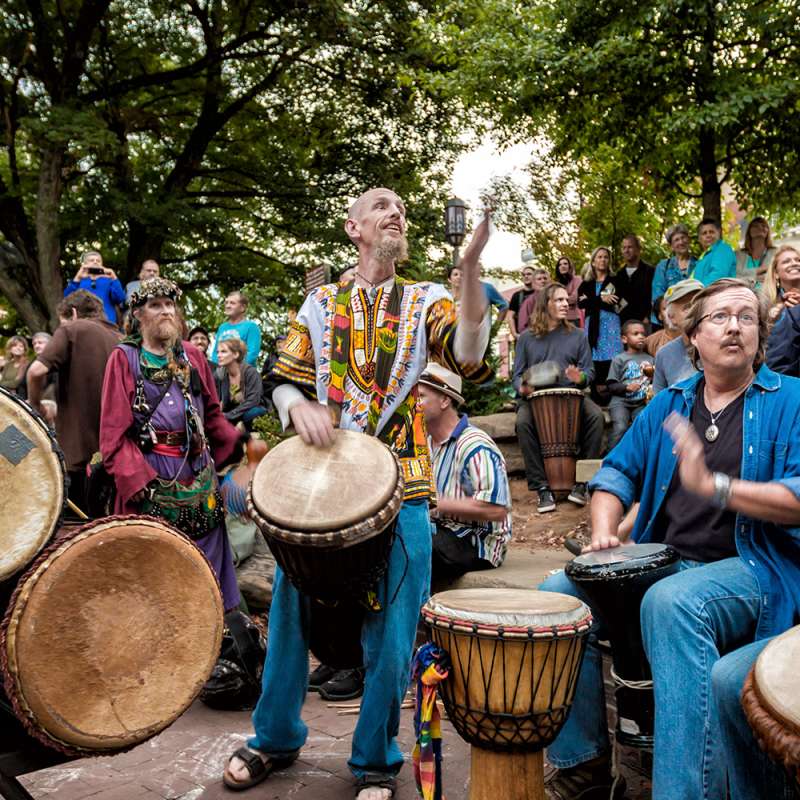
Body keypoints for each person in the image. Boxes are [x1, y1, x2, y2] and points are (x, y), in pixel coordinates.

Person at [222, 187, 492, 799]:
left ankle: (374, 761)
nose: (394, 212)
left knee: (394, 634)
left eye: (400, 207)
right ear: (354, 229)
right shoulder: (321, 304)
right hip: (322, 492)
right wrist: (298, 409)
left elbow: (471, 353)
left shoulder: (429, 300)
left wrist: (471, 266)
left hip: (406, 488)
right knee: (291, 619)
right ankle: (274, 739)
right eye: (380, 206)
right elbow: (283, 382)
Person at [540, 278, 800, 800]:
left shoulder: (790, 400)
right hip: (671, 561)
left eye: (747, 317)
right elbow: (615, 475)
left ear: (761, 336)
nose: (734, 326)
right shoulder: (671, 404)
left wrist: (716, 487)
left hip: (754, 568)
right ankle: (582, 766)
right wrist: (603, 533)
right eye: (720, 317)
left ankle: (684, 793)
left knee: (671, 602)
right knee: (558, 595)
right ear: (693, 339)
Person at [99, 277, 244, 612]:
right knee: (151, 571)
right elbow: (112, 434)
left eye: (169, 305)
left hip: (196, 474)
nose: (165, 311)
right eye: (155, 305)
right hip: (150, 475)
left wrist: (240, 448)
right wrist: (137, 481)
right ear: (138, 314)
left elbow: (212, 414)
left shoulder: (192, 355)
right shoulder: (124, 359)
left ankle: (215, 640)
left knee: (207, 568)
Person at [26, 291, 122, 510]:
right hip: (117, 458)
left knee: (78, 533)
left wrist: (36, 405)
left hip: (79, 461)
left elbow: (35, 372)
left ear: (74, 313)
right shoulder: (121, 339)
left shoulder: (74, 329)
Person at [513, 283, 603, 513]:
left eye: (567, 300)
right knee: (522, 423)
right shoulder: (526, 338)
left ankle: (582, 484)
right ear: (546, 305)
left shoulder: (578, 335)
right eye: (560, 300)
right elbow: (516, 375)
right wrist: (523, 388)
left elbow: (589, 373)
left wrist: (579, 377)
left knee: (596, 417)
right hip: (535, 400)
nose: (566, 304)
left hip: (572, 397)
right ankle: (542, 488)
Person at [418, 362, 512, 579]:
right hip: (442, 531)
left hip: (477, 542)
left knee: (411, 549)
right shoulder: (427, 443)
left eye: (421, 396)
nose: (414, 403)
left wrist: (434, 502)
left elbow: (496, 509)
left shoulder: (475, 445)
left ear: (444, 400)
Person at [578, 246, 623, 401]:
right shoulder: (586, 283)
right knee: (594, 355)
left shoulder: (615, 280)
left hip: (611, 323)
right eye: (599, 257)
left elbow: (620, 303)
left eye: (606, 257)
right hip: (592, 325)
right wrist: (601, 299)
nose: (603, 260)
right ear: (593, 261)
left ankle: (613, 392)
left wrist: (592, 301)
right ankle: (596, 394)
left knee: (612, 355)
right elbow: (580, 303)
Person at [650, 278, 704, 394]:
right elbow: (658, 404)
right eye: (688, 307)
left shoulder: (722, 347)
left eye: (699, 304)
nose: (696, 311)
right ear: (672, 318)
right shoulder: (664, 355)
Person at [606, 320, 653, 449]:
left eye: (643, 334)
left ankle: (635, 459)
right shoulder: (619, 359)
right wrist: (626, 387)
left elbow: (653, 381)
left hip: (640, 403)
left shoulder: (650, 359)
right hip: (620, 402)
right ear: (624, 339)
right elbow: (611, 385)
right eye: (636, 333)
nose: (641, 336)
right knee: (620, 427)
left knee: (643, 426)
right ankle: (610, 456)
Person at [214, 336, 267, 430]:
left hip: (250, 411)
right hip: (232, 412)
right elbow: (216, 399)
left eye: (223, 352)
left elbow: (253, 401)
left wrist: (229, 416)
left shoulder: (251, 372)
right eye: (217, 352)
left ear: (236, 354)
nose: (218, 355)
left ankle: (240, 427)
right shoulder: (220, 374)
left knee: (253, 413)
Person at [63, 250, 126, 325]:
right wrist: (77, 278)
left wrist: (114, 278)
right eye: (91, 260)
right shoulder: (79, 280)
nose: (95, 262)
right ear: (85, 264)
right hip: (84, 322)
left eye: (98, 261)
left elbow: (120, 298)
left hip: (107, 322)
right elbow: (67, 299)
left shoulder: (108, 280)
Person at [652, 223, 697, 324]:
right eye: (676, 240)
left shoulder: (699, 264)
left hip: (693, 317)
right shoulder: (663, 266)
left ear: (688, 240)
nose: (681, 242)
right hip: (668, 319)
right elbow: (658, 295)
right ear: (671, 246)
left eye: (683, 238)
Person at [210, 291, 261, 367]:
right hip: (221, 374)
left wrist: (234, 369)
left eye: (232, 303)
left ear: (242, 307)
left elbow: (252, 354)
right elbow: (215, 353)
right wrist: (217, 370)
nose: (228, 306)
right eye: (226, 303)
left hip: (244, 374)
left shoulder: (251, 327)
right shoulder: (222, 327)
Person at [613, 234, 654, 326]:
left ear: (638, 249)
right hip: (624, 324)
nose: (626, 250)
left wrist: (648, 316)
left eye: (630, 247)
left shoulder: (650, 272)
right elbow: (617, 299)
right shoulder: (619, 275)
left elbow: (656, 297)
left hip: (645, 323)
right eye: (624, 248)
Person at [761, 243, 800, 323]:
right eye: (786, 261)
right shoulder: (766, 304)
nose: (794, 263)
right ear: (776, 274)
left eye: (798, 260)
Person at [691, 218, 736, 286]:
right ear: (699, 238)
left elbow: (718, 275)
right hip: (704, 294)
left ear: (719, 233)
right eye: (704, 233)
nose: (708, 235)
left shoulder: (723, 249)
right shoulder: (703, 256)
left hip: (719, 293)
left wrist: (697, 291)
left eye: (711, 232)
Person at [735, 216, 775, 288]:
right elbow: (734, 279)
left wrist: (746, 275)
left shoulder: (775, 252)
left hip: (768, 296)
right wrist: (759, 271)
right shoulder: (738, 255)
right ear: (749, 231)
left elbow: (777, 275)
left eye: (764, 226)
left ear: (767, 231)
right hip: (743, 296)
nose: (760, 228)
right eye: (756, 226)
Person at [507, 265, 538, 341]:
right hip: (522, 337)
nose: (526, 276)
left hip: (539, 335)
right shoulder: (516, 295)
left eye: (529, 274)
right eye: (524, 275)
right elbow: (510, 316)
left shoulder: (542, 293)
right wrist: (514, 334)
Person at [516, 267, 551, 333]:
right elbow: (522, 327)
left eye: (545, 278)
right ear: (534, 283)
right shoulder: (528, 302)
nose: (543, 281)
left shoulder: (555, 298)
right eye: (539, 279)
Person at [554, 256, 582, 325]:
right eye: (560, 265)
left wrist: (558, 301)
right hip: (559, 319)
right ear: (558, 268)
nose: (562, 266)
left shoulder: (577, 279)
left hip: (573, 318)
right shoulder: (555, 283)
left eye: (565, 264)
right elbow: (552, 300)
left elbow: (574, 298)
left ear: (570, 266)